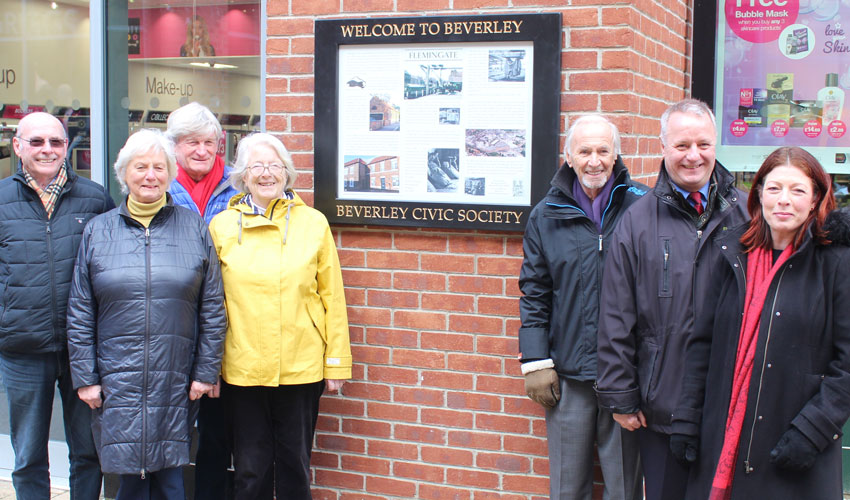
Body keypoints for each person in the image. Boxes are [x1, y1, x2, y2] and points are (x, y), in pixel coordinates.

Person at [671, 147, 850, 499]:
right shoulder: (731, 252)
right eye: (774, 188)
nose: (784, 200)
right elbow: (702, 344)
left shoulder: (837, 262)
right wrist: (687, 419)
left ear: (815, 199)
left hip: (794, 447)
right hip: (720, 439)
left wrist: (811, 431)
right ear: (759, 195)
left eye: (798, 190)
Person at [595, 98, 749, 500]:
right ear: (663, 147)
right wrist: (620, 395)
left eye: (703, 144)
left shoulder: (749, 214)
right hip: (662, 405)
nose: (693, 156)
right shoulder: (638, 220)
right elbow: (615, 313)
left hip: (731, 404)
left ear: (716, 145)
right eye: (682, 145)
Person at [66, 129, 226, 499]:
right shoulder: (98, 231)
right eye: (141, 167)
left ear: (170, 174)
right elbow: (80, 310)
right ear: (125, 174)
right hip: (116, 378)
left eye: (158, 167)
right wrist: (85, 377)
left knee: (171, 475)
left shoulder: (193, 227)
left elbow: (212, 306)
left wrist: (205, 371)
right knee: (130, 478)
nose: (150, 175)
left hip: (176, 376)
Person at [208, 132, 351, 500]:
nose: (266, 173)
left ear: (287, 173)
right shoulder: (221, 226)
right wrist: (207, 368)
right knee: (250, 470)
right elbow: (210, 303)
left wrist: (336, 364)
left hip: (299, 368)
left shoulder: (313, 223)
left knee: (294, 468)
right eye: (256, 166)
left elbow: (332, 298)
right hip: (242, 368)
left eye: (274, 165)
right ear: (242, 175)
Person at [519, 115, 645, 500]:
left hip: (627, 374)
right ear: (569, 157)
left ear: (616, 154)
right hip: (568, 375)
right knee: (568, 487)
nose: (595, 160)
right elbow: (535, 291)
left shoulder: (643, 207)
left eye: (603, 150)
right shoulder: (546, 214)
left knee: (624, 489)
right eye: (585, 151)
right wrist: (537, 362)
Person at [0, 112, 113, 499]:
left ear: (67, 147)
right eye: (37, 142)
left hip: (82, 350)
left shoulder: (96, 199)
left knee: (87, 451)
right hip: (21, 349)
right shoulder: (0, 200)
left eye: (56, 142)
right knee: (28, 454)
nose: (47, 149)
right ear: (18, 146)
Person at [166, 101, 239, 500]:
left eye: (208, 142)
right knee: (168, 432)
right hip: (170, 329)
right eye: (191, 142)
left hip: (221, 328)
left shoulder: (237, 187)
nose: (201, 150)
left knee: (215, 434)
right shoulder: (156, 185)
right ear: (174, 146)